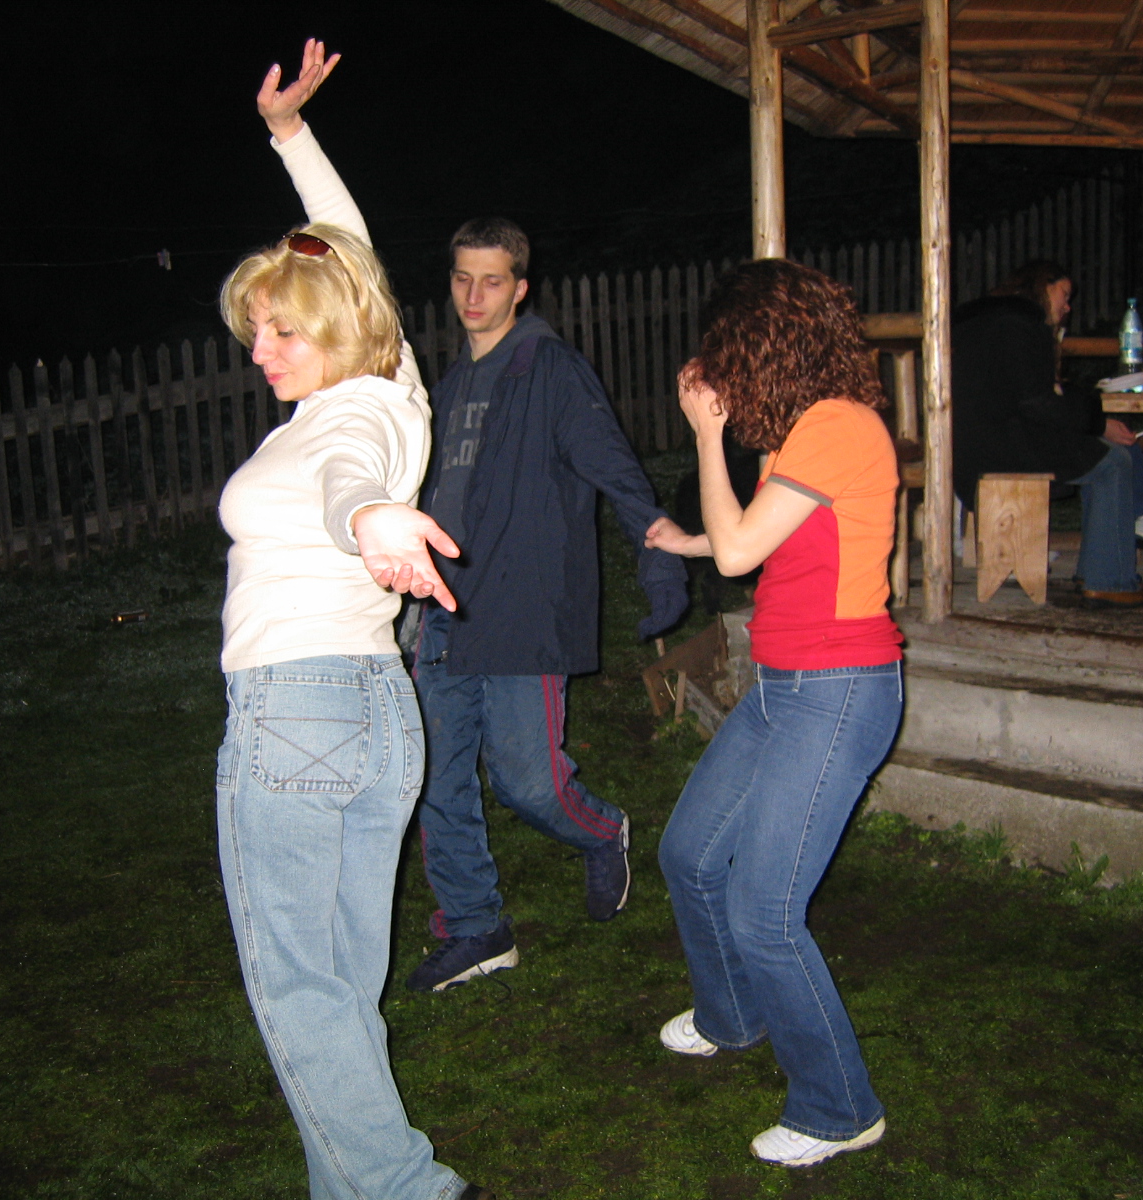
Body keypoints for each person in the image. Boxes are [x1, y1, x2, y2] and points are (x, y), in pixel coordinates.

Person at [272, 108, 689, 994]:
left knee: (530, 782)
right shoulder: (452, 382)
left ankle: (603, 829)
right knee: (435, 781)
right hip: (444, 615)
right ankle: (475, 925)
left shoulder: (551, 371)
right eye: (463, 279)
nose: (473, 296)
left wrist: (657, 554)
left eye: (492, 282)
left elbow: (616, 469)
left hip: (524, 609)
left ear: (520, 288)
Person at [214, 40, 492, 1200]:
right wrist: (291, 137)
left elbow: (351, 482)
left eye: (284, 330)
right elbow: (350, 247)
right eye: (255, 331)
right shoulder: (394, 388)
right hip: (374, 715)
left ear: (337, 327)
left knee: (301, 994)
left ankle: (410, 1189)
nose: (262, 351)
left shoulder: (349, 422)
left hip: (298, 717)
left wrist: (372, 518)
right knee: (337, 993)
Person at [644, 260, 902, 1168]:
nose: (718, 367)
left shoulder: (838, 426)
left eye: (727, 349)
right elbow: (760, 547)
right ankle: (734, 1016)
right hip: (785, 685)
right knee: (689, 854)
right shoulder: (806, 431)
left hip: (838, 690)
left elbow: (740, 552)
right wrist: (693, 537)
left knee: (764, 911)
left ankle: (840, 1107)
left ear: (766, 344)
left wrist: (707, 436)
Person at [952, 261, 1143, 608]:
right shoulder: (1020, 325)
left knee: (1111, 449)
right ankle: (1109, 580)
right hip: (999, 446)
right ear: (1042, 286)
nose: (1068, 306)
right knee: (1112, 461)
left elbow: (1032, 393)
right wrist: (1097, 423)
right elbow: (1037, 402)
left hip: (974, 442)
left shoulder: (983, 320)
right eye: (1064, 295)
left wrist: (1091, 419)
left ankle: (1113, 551)